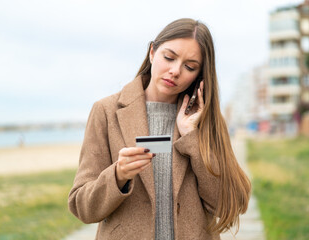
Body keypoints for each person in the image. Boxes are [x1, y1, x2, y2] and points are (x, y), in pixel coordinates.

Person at [68, 18, 251, 240]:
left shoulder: (206, 119)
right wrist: (118, 175)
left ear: (200, 74)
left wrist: (192, 139)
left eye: (190, 66)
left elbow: (230, 204)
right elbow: (82, 207)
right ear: (152, 52)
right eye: (169, 57)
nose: (175, 71)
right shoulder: (105, 111)